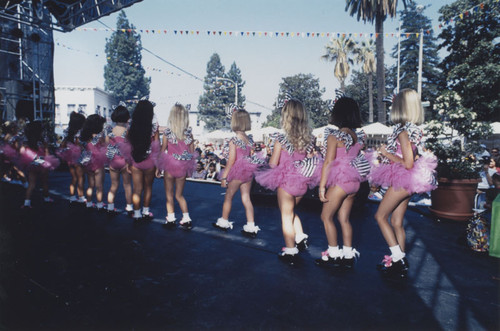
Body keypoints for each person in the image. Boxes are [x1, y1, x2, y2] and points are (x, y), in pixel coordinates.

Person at [368, 89, 437, 278]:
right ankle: (397, 261)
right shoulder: (414, 129)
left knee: (380, 217)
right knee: (397, 222)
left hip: (403, 178)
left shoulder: (403, 130)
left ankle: (398, 259)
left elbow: (408, 163)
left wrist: (385, 153)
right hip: (410, 181)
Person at [255, 99, 321, 264]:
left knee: (285, 216)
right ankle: (300, 237)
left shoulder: (281, 140)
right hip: (302, 182)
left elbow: (272, 164)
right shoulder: (309, 139)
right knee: (292, 212)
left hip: (286, 183)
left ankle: (290, 251)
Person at [316, 97, 368, 269]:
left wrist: (322, 186)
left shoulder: (334, 136)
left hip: (340, 182)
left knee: (326, 217)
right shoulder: (355, 136)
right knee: (344, 219)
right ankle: (348, 255)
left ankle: (333, 255)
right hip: (354, 182)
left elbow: (328, 162)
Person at [213, 108, 264, 237]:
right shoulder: (249, 139)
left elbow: (231, 160)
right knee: (246, 198)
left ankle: (223, 222)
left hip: (237, 170)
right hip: (248, 170)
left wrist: (224, 177)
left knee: (228, 196)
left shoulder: (234, 140)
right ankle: (251, 226)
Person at [156, 103, 195, 229]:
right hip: (182, 166)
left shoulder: (167, 133)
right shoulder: (189, 134)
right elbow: (192, 153)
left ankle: (171, 218)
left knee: (169, 194)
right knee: (179, 195)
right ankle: (187, 218)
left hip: (170, 166)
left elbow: (162, 151)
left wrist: (158, 167)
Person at [125, 99, 160, 221]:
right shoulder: (154, 126)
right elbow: (157, 146)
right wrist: (158, 165)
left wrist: (128, 162)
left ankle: (137, 213)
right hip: (150, 161)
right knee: (148, 187)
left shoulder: (131, 125)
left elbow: (127, 145)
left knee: (137, 188)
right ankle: (146, 211)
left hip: (135, 160)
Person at [18, 121, 60, 208]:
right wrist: (48, 161)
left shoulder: (27, 140)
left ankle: (27, 203)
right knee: (44, 182)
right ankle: (47, 198)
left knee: (32, 183)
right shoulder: (43, 139)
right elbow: (47, 151)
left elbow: (22, 151)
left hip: (32, 161)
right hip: (42, 161)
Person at [105, 104, 133, 216]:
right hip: (125, 162)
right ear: (126, 118)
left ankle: (110, 207)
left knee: (114, 185)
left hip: (113, 161)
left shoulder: (110, 132)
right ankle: (130, 207)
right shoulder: (127, 131)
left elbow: (107, 146)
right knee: (127, 185)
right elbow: (131, 147)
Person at [77, 114, 107, 209]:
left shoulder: (84, 137)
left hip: (88, 162)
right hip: (98, 162)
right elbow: (104, 145)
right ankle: (99, 204)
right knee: (99, 186)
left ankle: (89, 203)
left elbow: (81, 148)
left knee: (90, 185)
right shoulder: (100, 136)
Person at [56, 111, 86, 204]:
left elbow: (62, 143)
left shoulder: (67, 131)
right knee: (81, 178)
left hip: (69, 156)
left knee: (74, 178)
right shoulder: (79, 133)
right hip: (78, 158)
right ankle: (81, 197)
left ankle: (72, 196)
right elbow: (79, 146)